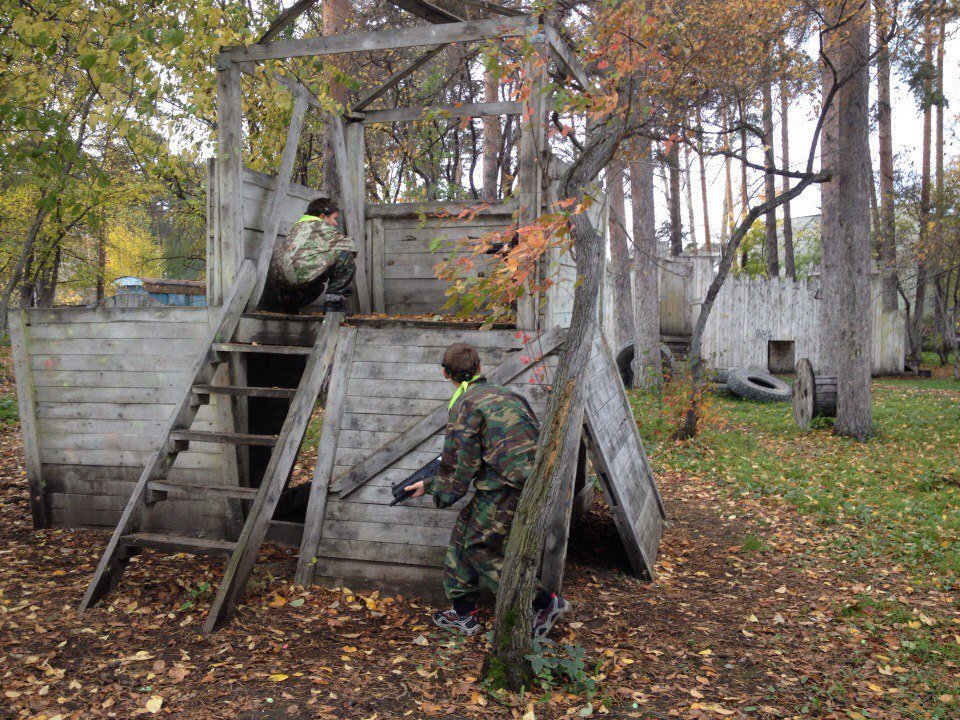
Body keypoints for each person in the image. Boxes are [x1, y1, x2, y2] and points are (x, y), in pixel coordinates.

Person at [406, 342, 571, 637]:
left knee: (480, 546)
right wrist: (431, 483)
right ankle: (463, 612)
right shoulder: (509, 394)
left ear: (445, 374)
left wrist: (438, 492)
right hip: (526, 482)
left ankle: (544, 603)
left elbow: (461, 466)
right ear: (480, 367)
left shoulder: (465, 405)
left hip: (506, 486)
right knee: (464, 531)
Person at [262, 197, 357, 313]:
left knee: (317, 283)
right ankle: (334, 304)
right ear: (323, 216)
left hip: (276, 279)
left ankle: (291, 301)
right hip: (297, 272)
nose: (336, 223)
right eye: (334, 218)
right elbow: (351, 245)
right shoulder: (320, 226)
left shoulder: (297, 226)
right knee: (345, 256)